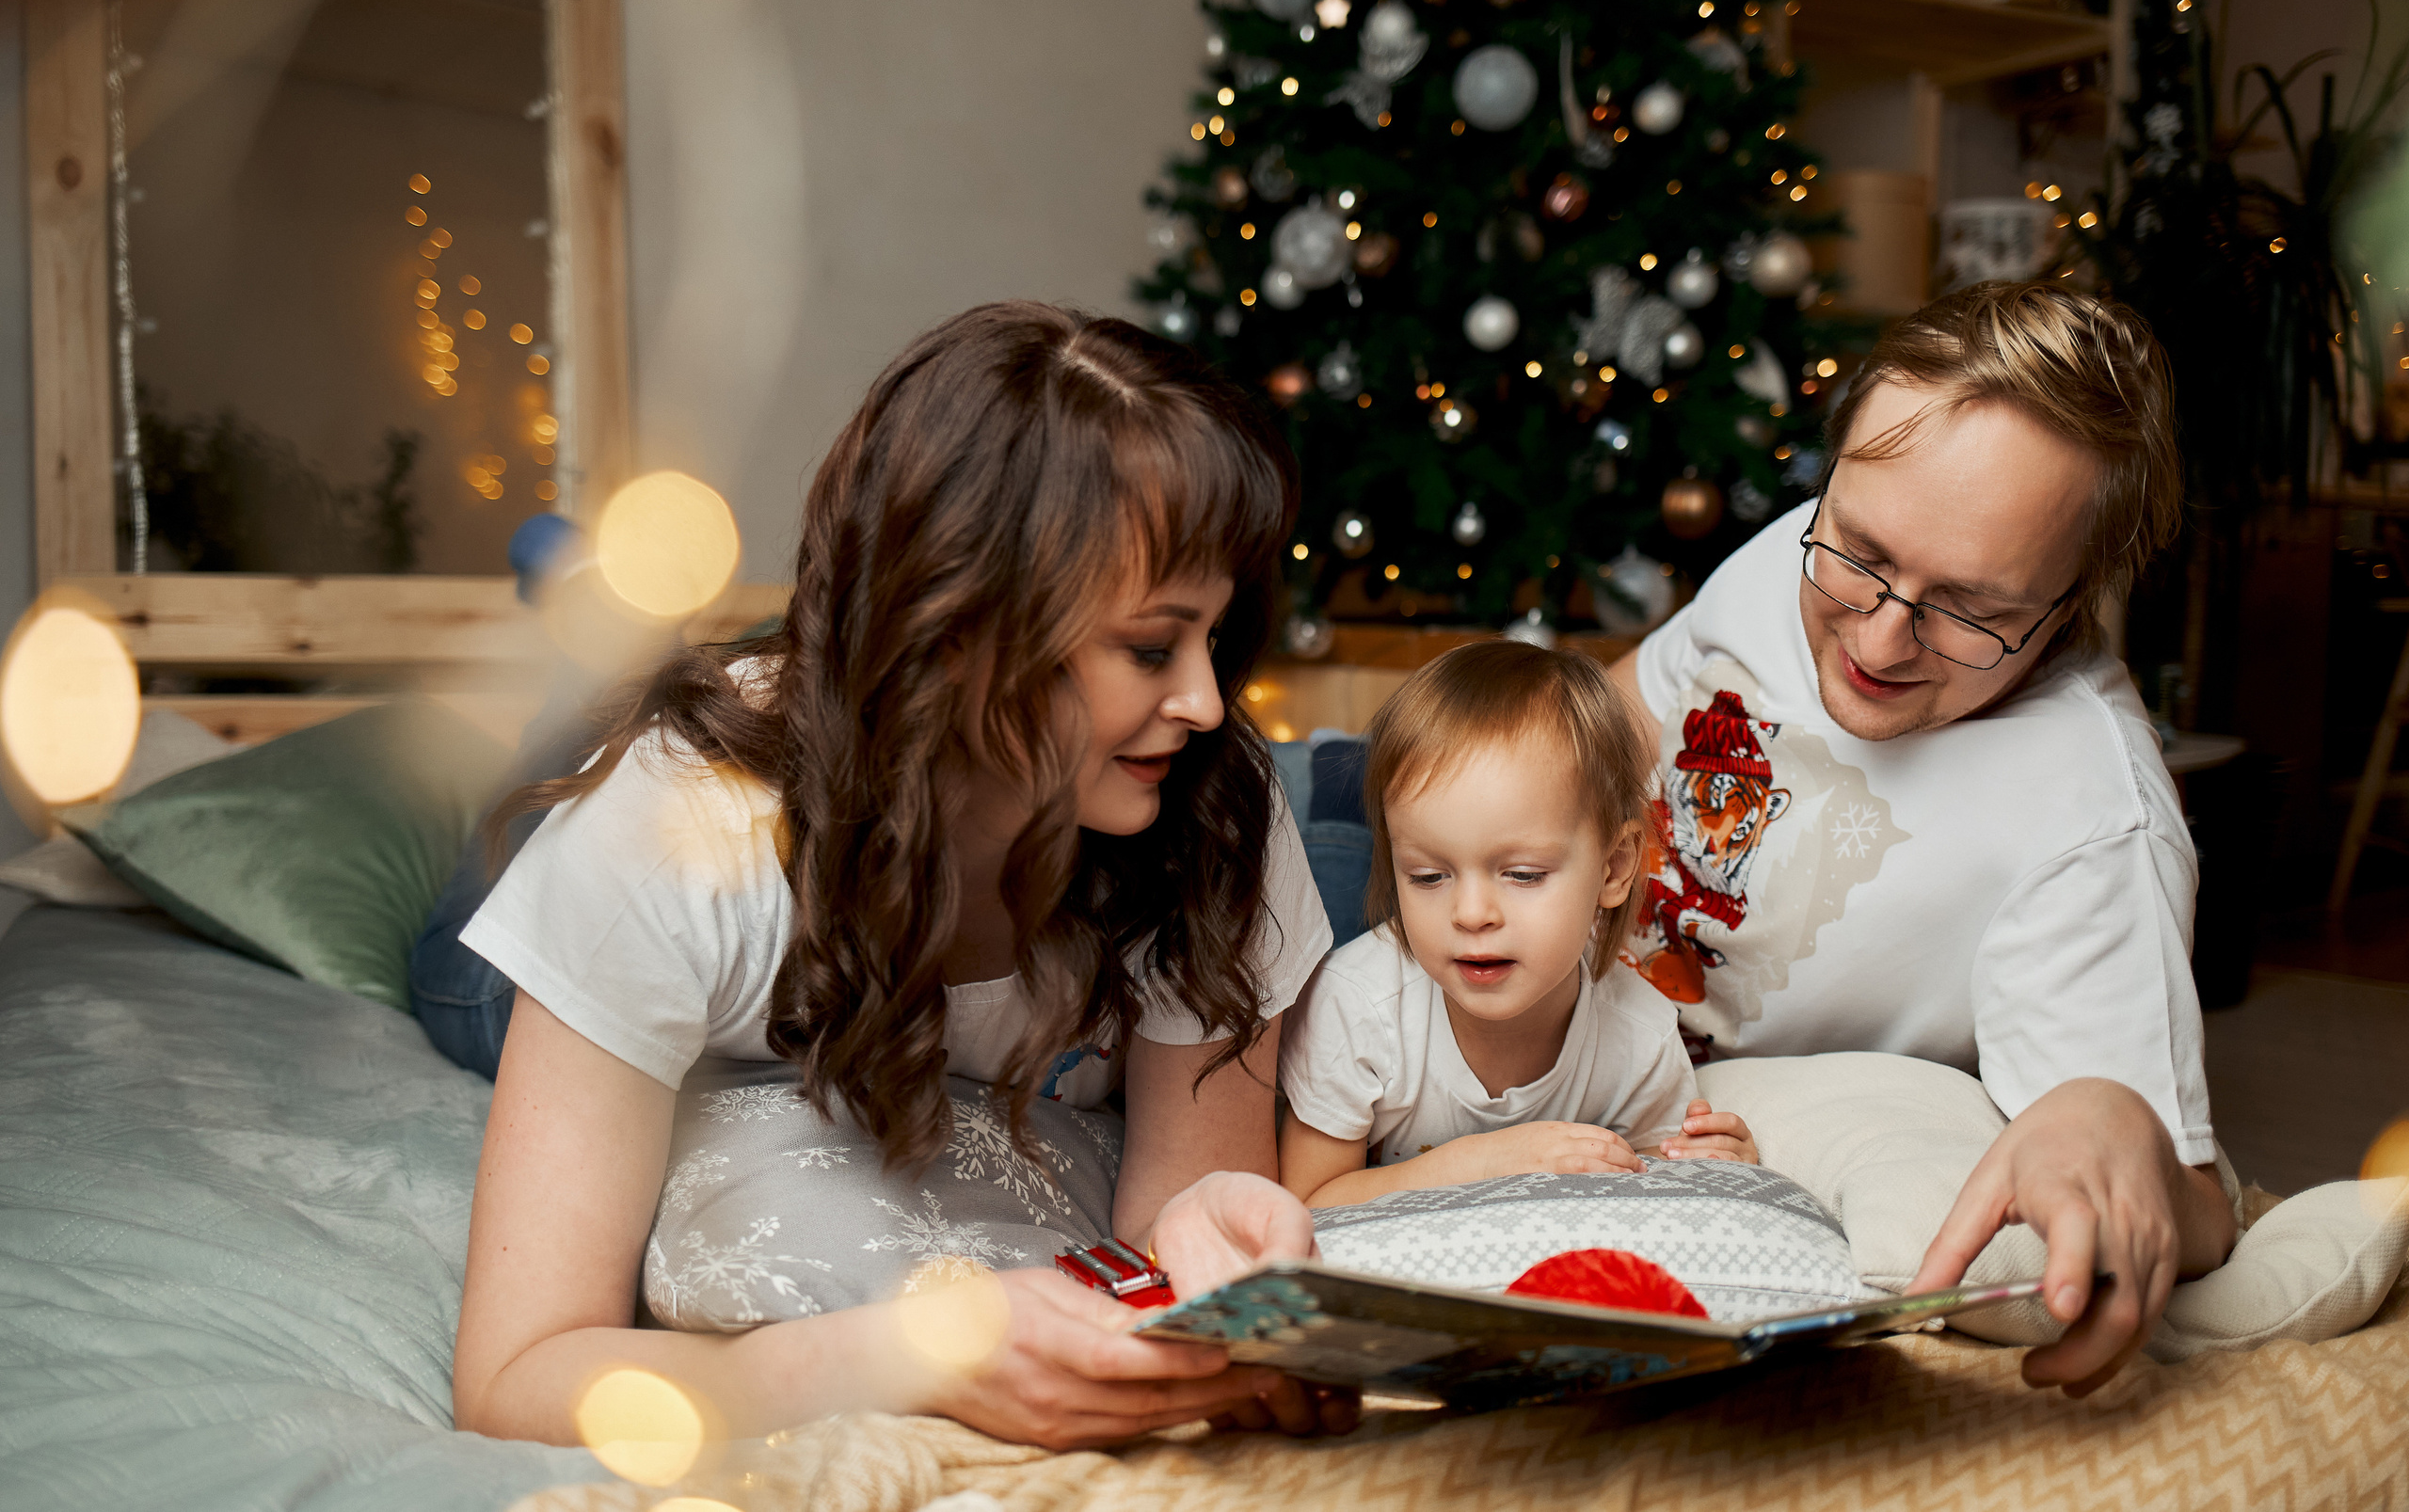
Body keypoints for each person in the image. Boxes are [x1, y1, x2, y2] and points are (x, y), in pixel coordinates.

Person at [449, 303, 1355, 1452]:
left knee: (1362, 849)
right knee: (474, 905)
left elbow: (1175, 1229)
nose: (1207, 702)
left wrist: (1217, 1260)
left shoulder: (1210, 801)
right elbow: (513, 1374)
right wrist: (911, 1357)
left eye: (1215, 641)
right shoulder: (665, 834)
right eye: (1148, 646)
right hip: (589, 893)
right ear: (964, 627)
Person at [1605, 280, 2236, 1396]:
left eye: (1970, 611)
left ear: (2075, 599)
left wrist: (2121, 1125)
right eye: (1858, 552)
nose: (1881, 636)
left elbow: (2181, 1201)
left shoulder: (2090, 815)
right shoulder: (1801, 550)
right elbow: (1610, 714)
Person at [1279, 642, 1756, 1210]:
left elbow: (1653, 1180)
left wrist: (1716, 1166)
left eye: (1523, 875)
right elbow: (1307, 1202)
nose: (1471, 914)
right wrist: (1483, 1164)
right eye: (1429, 876)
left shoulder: (1639, 1035)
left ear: (1615, 868)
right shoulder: (1355, 1009)